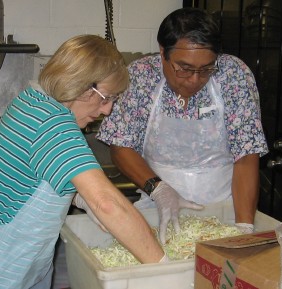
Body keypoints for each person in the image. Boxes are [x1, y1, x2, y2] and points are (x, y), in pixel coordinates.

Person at [0, 35, 166, 289]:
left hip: (18, 263)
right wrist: (164, 270)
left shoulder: (34, 99)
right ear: (82, 86)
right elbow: (108, 204)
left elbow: (37, 175)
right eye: (105, 98)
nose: (107, 110)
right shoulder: (54, 126)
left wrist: (79, 198)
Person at [96, 8, 269, 244]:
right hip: (157, 207)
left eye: (206, 69)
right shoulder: (140, 76)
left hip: (225, 209)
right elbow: (121, 145)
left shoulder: (234, 74)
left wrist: (243, 228)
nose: (195, 79)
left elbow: (246, 154)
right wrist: (159, 190)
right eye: (184, 68)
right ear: (162, 53)